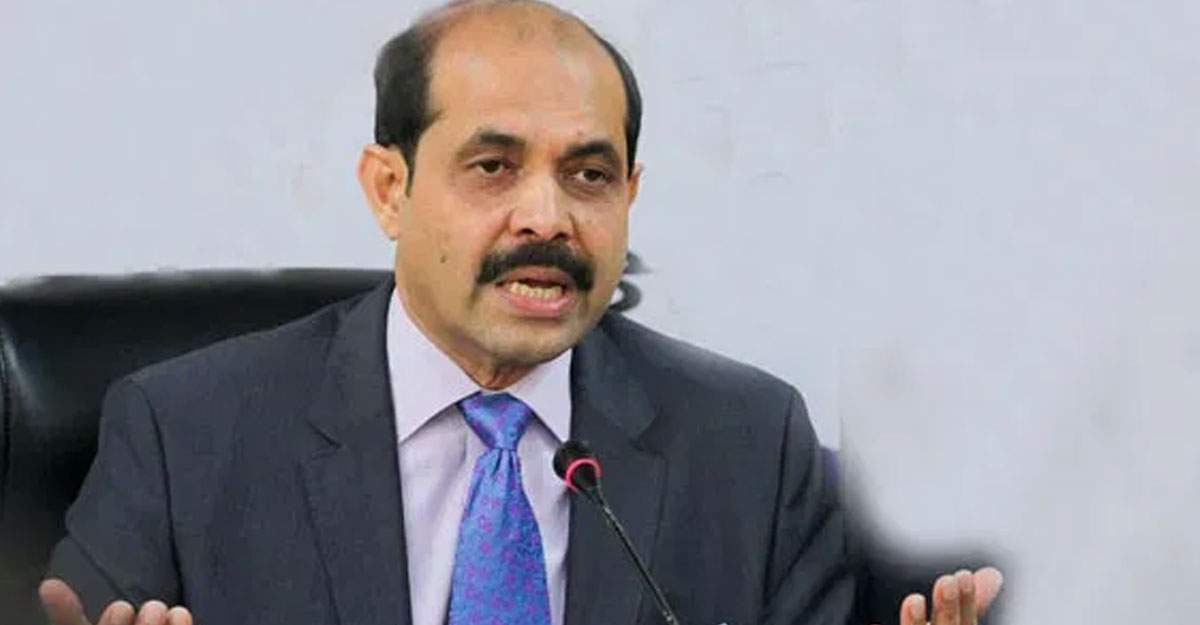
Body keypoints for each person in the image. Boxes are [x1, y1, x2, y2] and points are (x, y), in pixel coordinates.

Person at [37, 1, 1002, 624]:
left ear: (630, 194)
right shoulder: (184, 432)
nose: (546, 217)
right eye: (493, 166)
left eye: (589, 175)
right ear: (388, 189)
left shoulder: (749, 441)